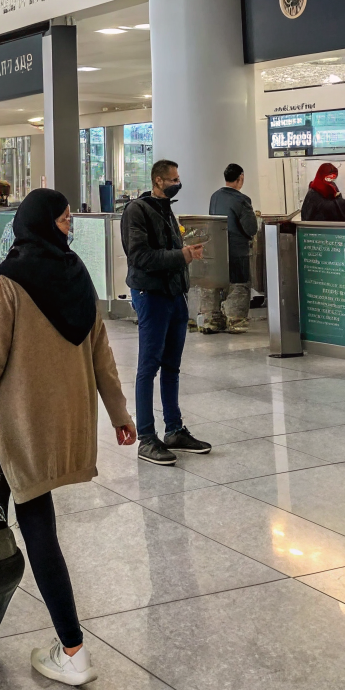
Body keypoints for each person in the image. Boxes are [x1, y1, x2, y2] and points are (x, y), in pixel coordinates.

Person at [0, 189, 135, 686]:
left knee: (38, 529)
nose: (70, 225)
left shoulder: (10, 281)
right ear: (46, 223)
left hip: (27, 426)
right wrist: (118, 413)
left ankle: (72, 649)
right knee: (0, 508)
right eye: (65, 218)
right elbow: (102, 356)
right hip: (69, 424)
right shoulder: (78, 276)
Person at [120, 159, 211, 466]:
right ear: (157, 180)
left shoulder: (166, 209)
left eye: (177, 177)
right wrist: (181, 255)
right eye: (172, 179)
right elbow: (140, 256)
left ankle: (174, 430)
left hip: (174, 294)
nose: (177, 182)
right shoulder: (137, 210)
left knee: (172, 366)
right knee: (149, 366)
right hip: (152, 295)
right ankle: (147, 437)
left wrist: (185, 255)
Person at [202, 163, 259, 334]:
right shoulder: (242, 200)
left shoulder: (215, 196)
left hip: (216, 249)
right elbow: (251, 228)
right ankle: (235, 320)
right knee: (239, 285)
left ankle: (212, 320)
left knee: (215, 284)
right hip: (237, 250)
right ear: (240, 178)